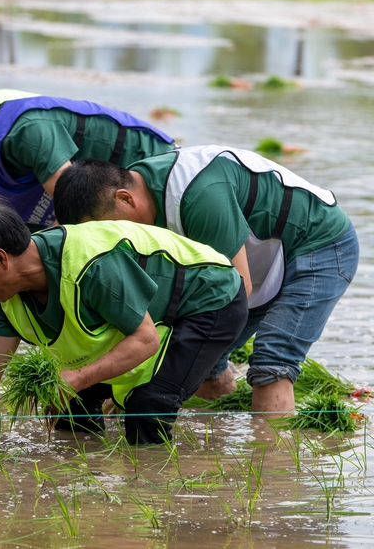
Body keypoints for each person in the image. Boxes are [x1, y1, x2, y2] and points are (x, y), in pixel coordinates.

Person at [50, 148, 358, 416]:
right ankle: (223, 434)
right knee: (203, 366)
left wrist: (154, 356)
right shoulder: (139, 193)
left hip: (319, 245)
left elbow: (235, 292)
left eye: (104, 231)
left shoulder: (197, 197)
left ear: (125, 198)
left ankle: (274, 474)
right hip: (258, 259)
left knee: (273, 359)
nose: (104, 242)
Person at [0, 197, 247, 445]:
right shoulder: (9, 294)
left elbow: (146, 339)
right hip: (149, 314)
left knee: (149, 405)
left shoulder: (91, 265)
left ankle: (153, 498)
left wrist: (78, 377)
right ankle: (89, 490)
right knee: (69, 407)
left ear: (0, 258)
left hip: (208, 297)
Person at [0, 80, 175, 228]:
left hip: (148, 163)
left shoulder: (27, 131)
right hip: (99, 194)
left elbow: (70, 211)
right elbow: (12, 229)